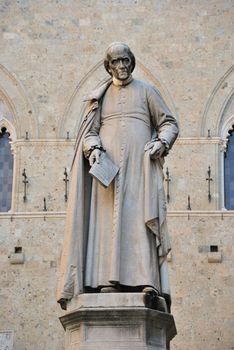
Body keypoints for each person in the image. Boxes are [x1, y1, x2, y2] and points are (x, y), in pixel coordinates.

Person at [58, 42, 179, 311]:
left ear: (131, 63)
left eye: (126, 61)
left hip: (140, 167)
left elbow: (169, 123)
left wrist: (161, 142)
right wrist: (94, 149)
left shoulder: (147, 91)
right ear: (109, 65)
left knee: (139, 219)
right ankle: (105, 280)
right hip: (107, 173)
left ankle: (147, 279)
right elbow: (90, 132)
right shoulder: (99, 98)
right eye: (116, 62)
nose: (122, 66)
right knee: (106, 225)